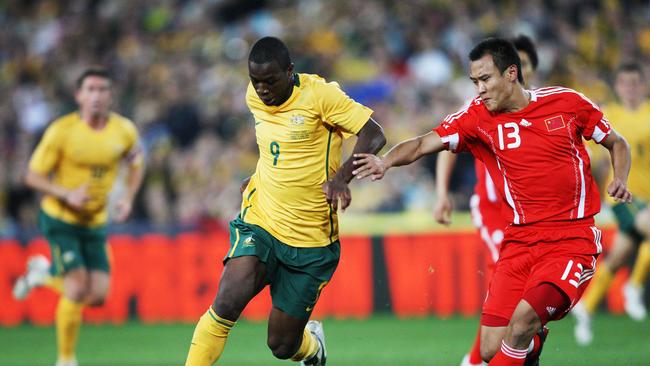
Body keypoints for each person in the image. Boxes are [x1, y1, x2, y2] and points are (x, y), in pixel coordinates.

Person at [353, 38, 631, 365]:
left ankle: (529, 333)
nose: (479, 90)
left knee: (522, 323)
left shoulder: (567, 103)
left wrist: (620, 178)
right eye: (474, 82)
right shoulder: (477, 117)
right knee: (489, 348)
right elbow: (422, 143)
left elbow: (616, 142)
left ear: (511, 73)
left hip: (570, 240)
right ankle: (531, 340)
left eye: (485, 80)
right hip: (520, 240)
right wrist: (385, 161)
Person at [184, 36, 385, 366]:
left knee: (281, 344)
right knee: (226, 303)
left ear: (290, 71)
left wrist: (341, 177)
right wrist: (260, 173)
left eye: (270, 81)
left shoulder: (320, 96)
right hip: (261, 219)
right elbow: (276, 148)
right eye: (256, 81)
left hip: (311, 238)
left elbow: (374, 133)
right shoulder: (255, 97)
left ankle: (312, 348)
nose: (262, 89)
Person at [12, 68, 145, 366]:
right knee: (75, 285)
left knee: (97, 296)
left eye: (103, 89)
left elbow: (136, 163)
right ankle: (66, 359)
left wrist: (127, 197)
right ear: (79, 96)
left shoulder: (124, 130)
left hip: (95, 222)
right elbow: (32, 176)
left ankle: (43, 275)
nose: (97, 95)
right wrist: (65, 193)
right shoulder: (62, 131)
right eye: (91, 89)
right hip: (61, 218)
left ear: (111, 96)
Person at [433, 34, 539, 366]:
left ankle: (498, 354)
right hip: (494, 212)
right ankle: (483, 358)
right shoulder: (480, 107)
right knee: (510, 293)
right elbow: (444, 144)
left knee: (525, 299)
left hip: (531, 215)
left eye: (522, 65)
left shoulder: (544, 105)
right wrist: (442, 194)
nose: (517, 72)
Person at [572, 61, 650, 345]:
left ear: (643, 85)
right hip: (623, 195)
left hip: (648, 199)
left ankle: (586, 308)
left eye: (635, 83)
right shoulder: (609, 115)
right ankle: (634, 286)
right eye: (625, 83)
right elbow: (591, 156)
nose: (630, 88)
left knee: (618, 256)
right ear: (618, 87)